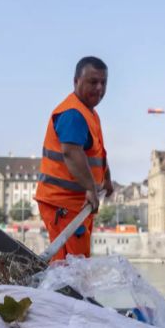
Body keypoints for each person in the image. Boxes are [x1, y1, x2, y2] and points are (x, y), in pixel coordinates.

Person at [34, 56, 114, 261]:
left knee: (76, 264)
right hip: (63, 205)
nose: (99, 88)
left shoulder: (90, 114)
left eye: (103, 82)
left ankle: (71, 293)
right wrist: (90, 188)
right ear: (76, 81)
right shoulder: (73, 114)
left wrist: (106, 179)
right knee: (69, 267)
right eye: (93, 82)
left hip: (77, 205)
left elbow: (96, 154)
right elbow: (72, 153)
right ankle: (66, 294)